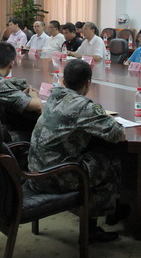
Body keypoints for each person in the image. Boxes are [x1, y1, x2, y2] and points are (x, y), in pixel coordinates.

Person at [29, 59, 127, 243]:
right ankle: (97, 223)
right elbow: (118, 134)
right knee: (109, 156)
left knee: (92, 150)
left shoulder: (54, 96)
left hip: (34, 171)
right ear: (88, 83)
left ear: (63, 81)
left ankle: (112, 208)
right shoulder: (82, 106)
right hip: (56, 177)